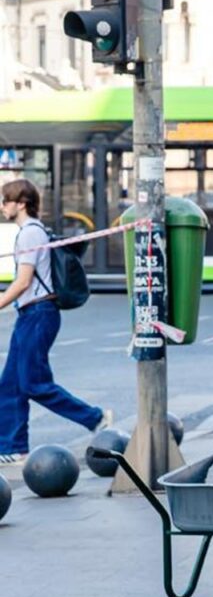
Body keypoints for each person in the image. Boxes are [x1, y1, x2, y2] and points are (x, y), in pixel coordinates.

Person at [0, 179, 111, 466]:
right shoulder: (33, 231)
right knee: (10, 384)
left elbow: (23, 282)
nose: (2, 206)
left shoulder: (29, 234)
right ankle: (13, 447)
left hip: (38, 313)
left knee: (34, 383)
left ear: (21, 203)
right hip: (32, 314)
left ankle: (94, 418)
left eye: (5, 201)